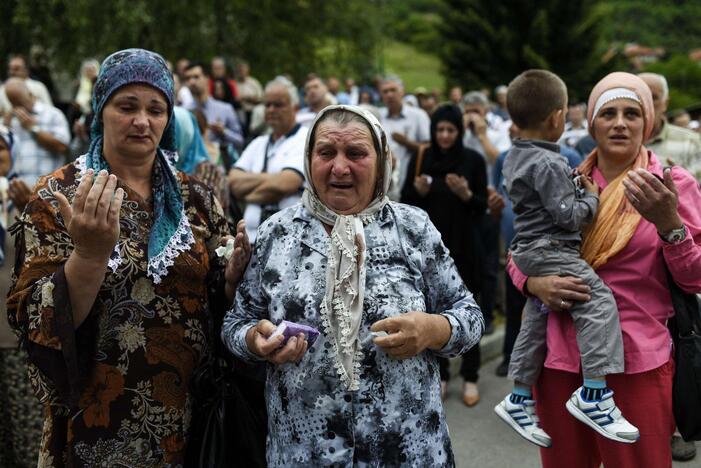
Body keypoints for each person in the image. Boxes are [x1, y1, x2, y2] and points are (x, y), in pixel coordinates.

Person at [6, 48, 251, 467]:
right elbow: (34, 317)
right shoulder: (59, 196)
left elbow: (213, 292)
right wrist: (88, 256)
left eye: (156, 109)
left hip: (190, 422)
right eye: (127, 106)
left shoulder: (196, 198)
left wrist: (231, 277)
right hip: (96, 422)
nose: (143, 121)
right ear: (101, 110)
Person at [222, 104, 483, 466]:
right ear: (308, 158)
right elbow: (236, 322)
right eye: (326, 152)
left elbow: (468, 315)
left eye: (356, 153)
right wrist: (256, 340)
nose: (339, 167)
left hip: (407, 452)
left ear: (381, 160)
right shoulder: (277, 232)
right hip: (304, 453)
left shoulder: (412, 228)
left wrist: (433, 329)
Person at [508, 72, 701, 467]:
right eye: (608, 112)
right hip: (559, 358)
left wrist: (671, 227)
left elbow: (694, 278)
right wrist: (533, 282)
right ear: (590, 123)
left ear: (647, 122)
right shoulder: (566, 180)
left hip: (637, 361)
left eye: (632, 113)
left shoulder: (670, 184)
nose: (619, 122)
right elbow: (521, 251)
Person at [494, 69, 638, 448]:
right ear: (558, 118)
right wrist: (591, 196)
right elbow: (569, 216)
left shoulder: (513, 156)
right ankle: (594, 394)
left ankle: (520, 395)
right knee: (598, 301)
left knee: (537, 318)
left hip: (527, 251)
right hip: (552, 250)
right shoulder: (549, 163)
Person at [401, 104, 487, 406]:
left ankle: (471, 376)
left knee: (467, 306)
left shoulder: (472, 160)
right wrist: (419, 192)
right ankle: (442, 374)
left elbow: (482, 206)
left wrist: (465, 194)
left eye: (451, 130)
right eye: (440, 130)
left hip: (464, 246)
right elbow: (405, 204)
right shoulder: (422, 158)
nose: (446, 136)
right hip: (428, 252)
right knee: (431, 310)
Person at [639, 71, 701, 463]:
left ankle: (679, 421)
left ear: (662, 102)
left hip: (683, 241)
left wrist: (676, 221)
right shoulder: (601, 149)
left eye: (648, 98)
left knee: (682, 334)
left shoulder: (687, 145)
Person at [493, 122, 582, 378]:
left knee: (545, 312)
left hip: (553, 252)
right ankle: (511, 358)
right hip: (518, 248)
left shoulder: (565, 157)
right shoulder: (505, 157)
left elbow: (568, 209)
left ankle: (543, 369)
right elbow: (499, 192)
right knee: (516, 306)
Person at [0, 125, 44, 468]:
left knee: (24, 423)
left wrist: (32, 209)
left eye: (0, 148)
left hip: (12, 333)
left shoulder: (25, 198)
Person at [228, 77, 307, 242]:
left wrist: (247, 195)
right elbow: (233, 182)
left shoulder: (305, 138)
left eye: (278, 105)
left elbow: (285, 184)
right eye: (267, 105)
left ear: (295, 108)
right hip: (251, 242)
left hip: (290, 240)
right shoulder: (258, 143)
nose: (271, 109)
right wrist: (274, 178)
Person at [3, 77, 70, 188]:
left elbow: (62, 147)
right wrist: (5, 128)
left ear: (30, 94)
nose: (17, 108)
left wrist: (33, 129)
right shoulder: (10, 120)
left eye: (20, 102)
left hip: (47, 191)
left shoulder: (53, 115)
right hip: (17, 192)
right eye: (13, 103)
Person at [639, 73, 701, 182]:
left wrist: (683, 183)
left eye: (653, 98)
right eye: (640, 96)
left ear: (665, 104)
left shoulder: (692, 143)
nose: (646, 103)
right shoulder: (615, 142)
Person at [379, 75, 430, 200]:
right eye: (385, 91)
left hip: (411, 183)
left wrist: (406, 142)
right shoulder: (377, 116)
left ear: (402, 91)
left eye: (393, 90)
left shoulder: (418, 116)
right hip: (382, 186)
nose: (389, 95)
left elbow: (429, 149)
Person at [184, 62, 244, 153]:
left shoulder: (225, 109)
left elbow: (240, 142)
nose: (192, 82)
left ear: (207, 78)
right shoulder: (184, 111)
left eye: (196, 77)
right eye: (188, 78)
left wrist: (224, 132)